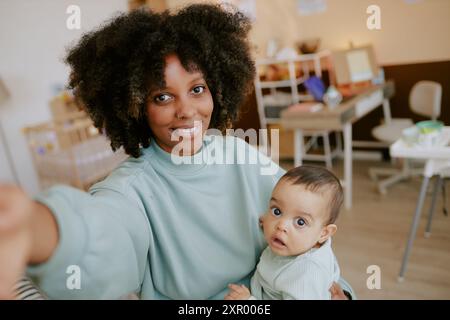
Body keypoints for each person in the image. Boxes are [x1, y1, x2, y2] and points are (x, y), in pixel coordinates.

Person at [0, 4, 352, 300]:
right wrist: (31, 228)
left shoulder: (239, 154)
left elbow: (310, 227)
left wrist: (339, 291)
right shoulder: (130, 189)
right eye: (162, 96)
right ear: (134, 106)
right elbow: (101, 239)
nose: (186, 110)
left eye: (197, 88)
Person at [225, 166, 343, 300]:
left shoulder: (306, 275)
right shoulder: (305, 241)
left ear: (324, 233)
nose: (281, 225)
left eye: (300, 222)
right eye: (277, 211)